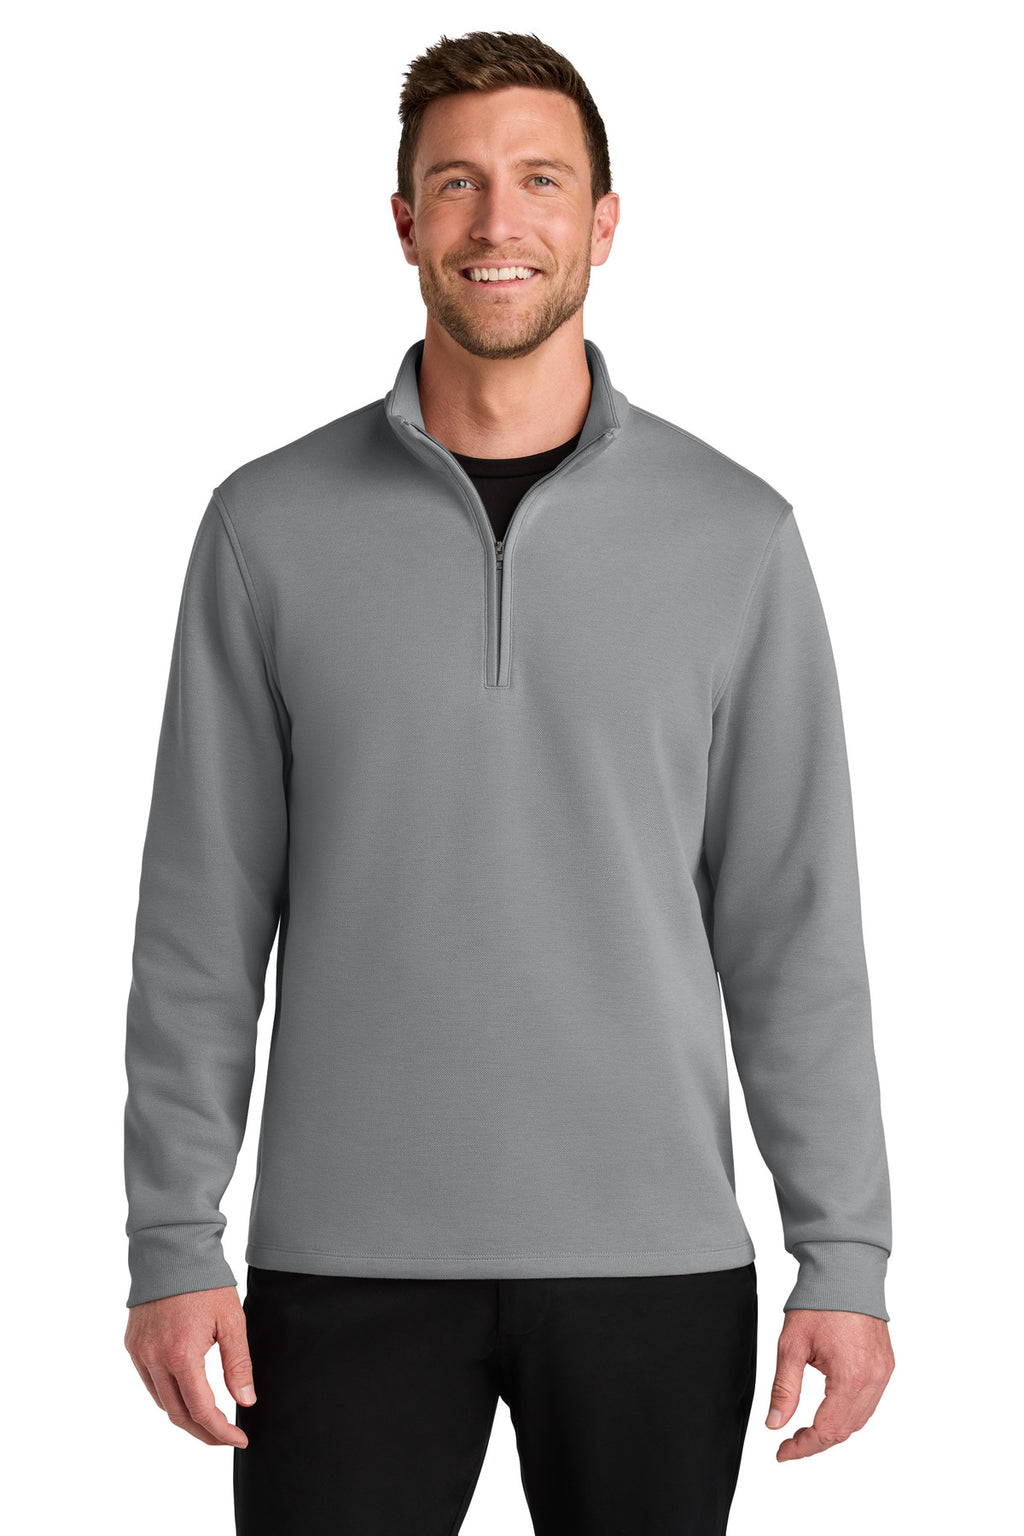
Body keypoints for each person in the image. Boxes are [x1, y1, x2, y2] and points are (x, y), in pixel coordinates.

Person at [123, 28, 895, 1535]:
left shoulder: (736, 536)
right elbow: (200, 923)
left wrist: (845, 1255)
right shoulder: (266, 529)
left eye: (541, 180)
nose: (498, 221)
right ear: (404, 220)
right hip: (337, 1267)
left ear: (603, 223)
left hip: (655, 1264)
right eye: (457, 182)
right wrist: (172, 1238)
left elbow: (794, 930)